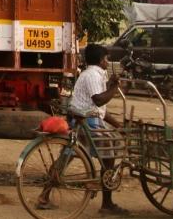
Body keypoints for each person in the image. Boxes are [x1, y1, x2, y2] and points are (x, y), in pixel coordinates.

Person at [38, 43, 127, 215]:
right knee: (109, 156)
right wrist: (114, 88)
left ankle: (44, 196)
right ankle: (107, 204)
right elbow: (99, 101)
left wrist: (117, 125)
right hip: (88, 123)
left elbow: (98, 109)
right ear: (101, 60)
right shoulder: (93, 75)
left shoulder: (89, 74)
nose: (108, 63)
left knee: (66, 157)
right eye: (107, 59)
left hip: (80, 119)